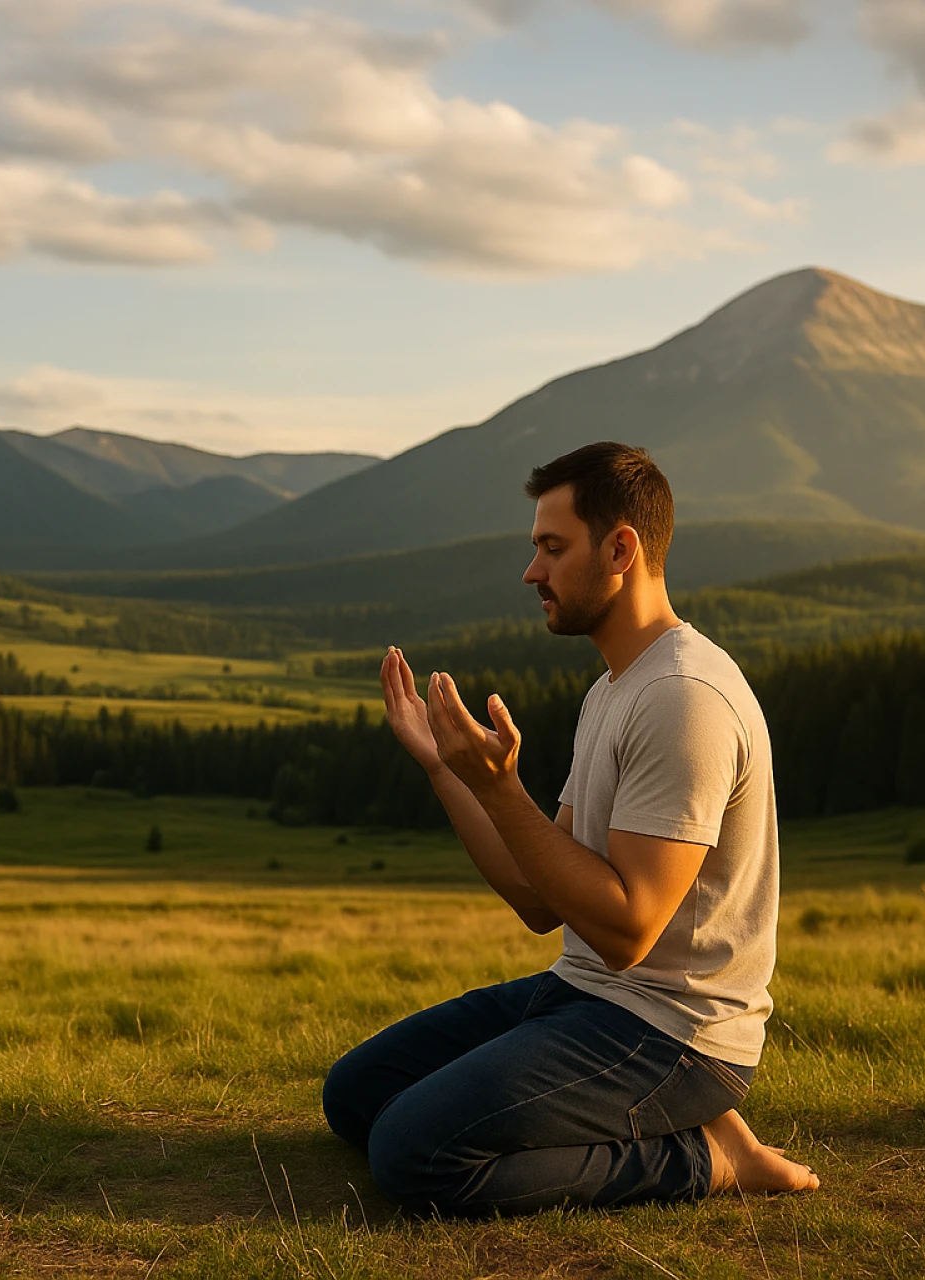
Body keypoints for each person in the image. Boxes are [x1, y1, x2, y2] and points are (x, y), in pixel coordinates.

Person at [322, 441, 819, 1215]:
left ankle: (705, 1154)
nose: (532, 573)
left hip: (674, 1031)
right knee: (356, 1096)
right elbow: (537, 894)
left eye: (553, 549)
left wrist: (503, 789)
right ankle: (679, 1129)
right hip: (586, 995)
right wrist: (446, 770)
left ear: (621, 549)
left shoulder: (683, 698)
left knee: (412, 1155)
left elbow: (628, 930)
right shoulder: (613, 691)